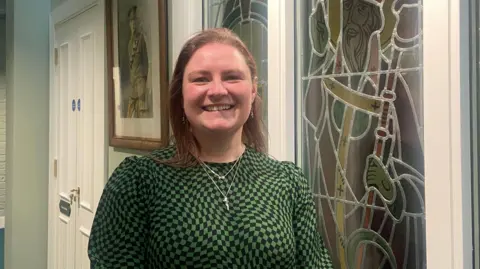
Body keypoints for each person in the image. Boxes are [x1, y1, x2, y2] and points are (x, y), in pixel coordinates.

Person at [88, 28, 333, 268]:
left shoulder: (288, 181)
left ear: (253, 89)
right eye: (201, 79)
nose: (217, 90)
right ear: (181, 93)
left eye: (232, 77)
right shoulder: (138, 180)